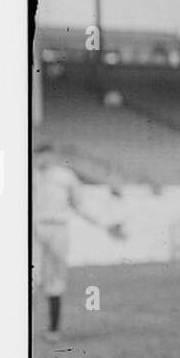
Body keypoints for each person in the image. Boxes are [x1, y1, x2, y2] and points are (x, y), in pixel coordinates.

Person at [33, 143, 122, 337]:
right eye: (38, 155)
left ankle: (53, 329)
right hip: (32, 229)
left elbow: (80, 205)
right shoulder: (26, 173)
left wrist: (105, 223)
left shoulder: (64, 177)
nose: (41, 160)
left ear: (53, 155)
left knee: (54, 278)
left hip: (58, 229)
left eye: (44, 155)